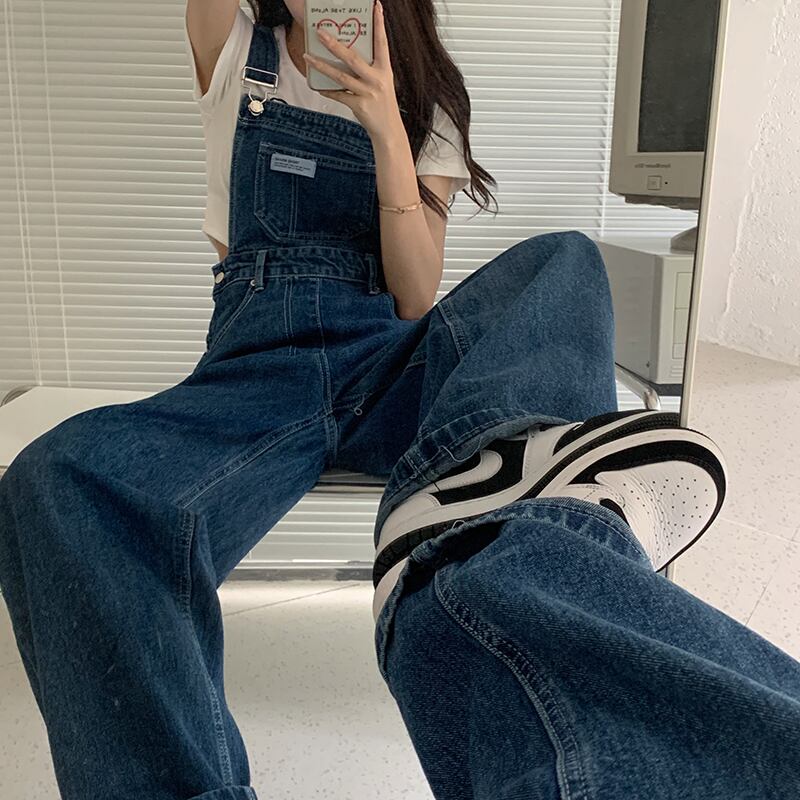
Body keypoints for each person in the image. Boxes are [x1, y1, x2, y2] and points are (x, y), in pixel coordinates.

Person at [0, 2, 798, 799]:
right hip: (257, 377)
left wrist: (386, 125)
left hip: (389, 364)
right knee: (60, 478)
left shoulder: (428, 99)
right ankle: (498, 490)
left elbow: (415, 295)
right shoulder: (235, 48)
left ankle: (508, 482)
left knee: (561, 262)